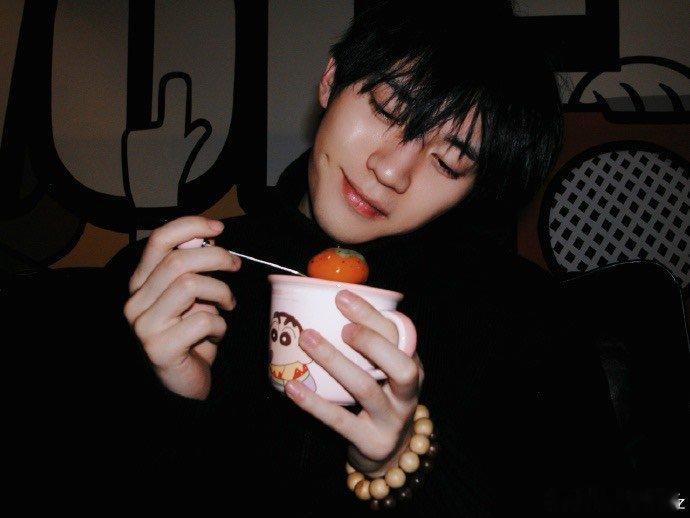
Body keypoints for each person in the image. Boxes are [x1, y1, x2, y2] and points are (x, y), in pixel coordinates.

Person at [105, 1, 624, 514]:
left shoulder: (526, 318)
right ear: (331, 79)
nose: (392, 171)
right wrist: (177, 399)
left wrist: (402, 464)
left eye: (448, 161)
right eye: (389, 109)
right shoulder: (179, 280)